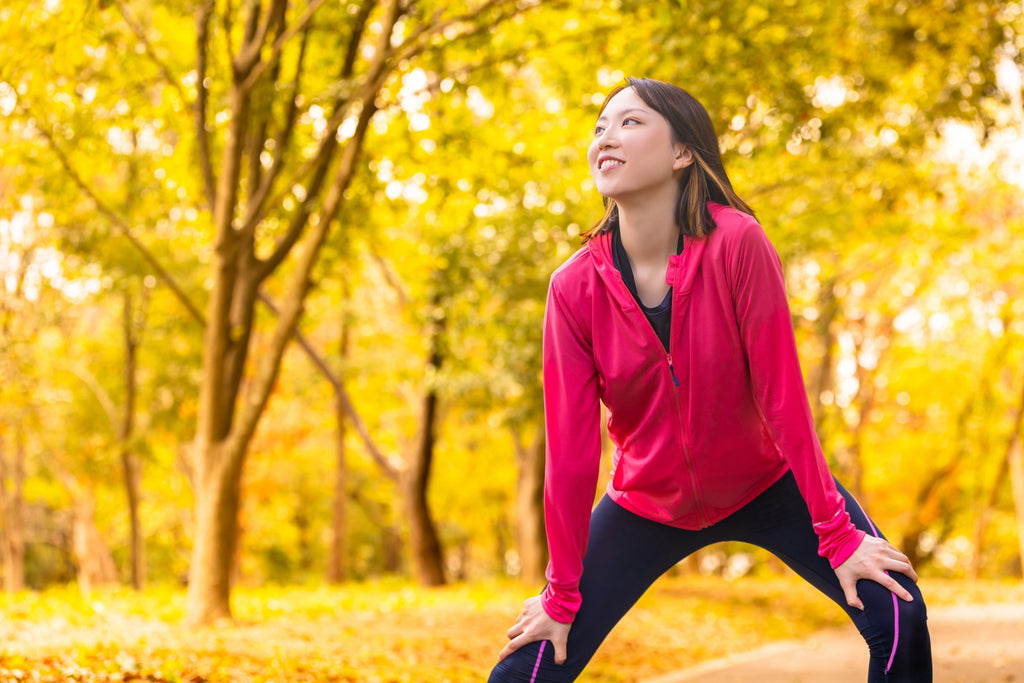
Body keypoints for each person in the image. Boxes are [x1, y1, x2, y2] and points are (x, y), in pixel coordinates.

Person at [488, 77, 932, 683]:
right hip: (645, 502)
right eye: (599, 126)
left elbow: (782, 397)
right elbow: (570, 453)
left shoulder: (737, 243)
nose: (605, 136)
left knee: (900, 614)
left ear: (681, 153)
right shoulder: (572, 288)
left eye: (629, 122)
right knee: (523, 673)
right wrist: (561, 594)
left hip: (769, 483)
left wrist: (836, 533)